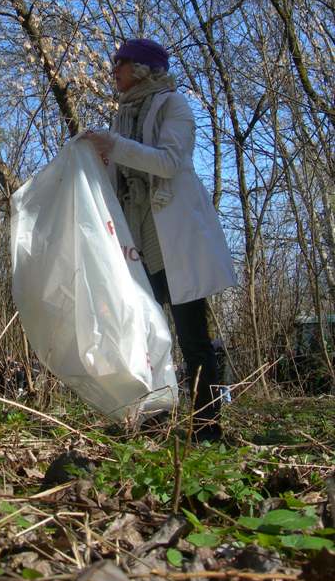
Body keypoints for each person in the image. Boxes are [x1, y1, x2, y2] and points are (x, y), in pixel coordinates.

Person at [84, 38, 237, 442]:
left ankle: (206, 429)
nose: (114, 70)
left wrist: (115, 146)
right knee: (145, 337)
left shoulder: (174, 106)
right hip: (136, 242)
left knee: (192, 338)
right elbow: (120, 175)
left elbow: (169, 162)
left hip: (175, 242)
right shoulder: (121, 118)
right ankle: (153, 423)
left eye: (120, 63)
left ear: (142, 68)